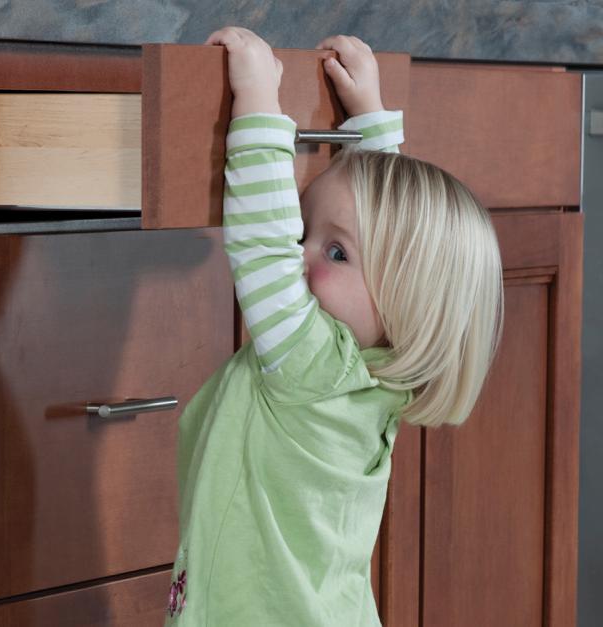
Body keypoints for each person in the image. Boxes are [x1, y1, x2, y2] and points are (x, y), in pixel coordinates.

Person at [164, 27, 504, 626]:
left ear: (404, 297)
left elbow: (262, 246)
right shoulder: (383, 376)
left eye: (334, 253)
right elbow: (388, 232)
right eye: (305, 231)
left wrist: (258, 102)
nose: (301, 256)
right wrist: (368, 121)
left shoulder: (309, 363)